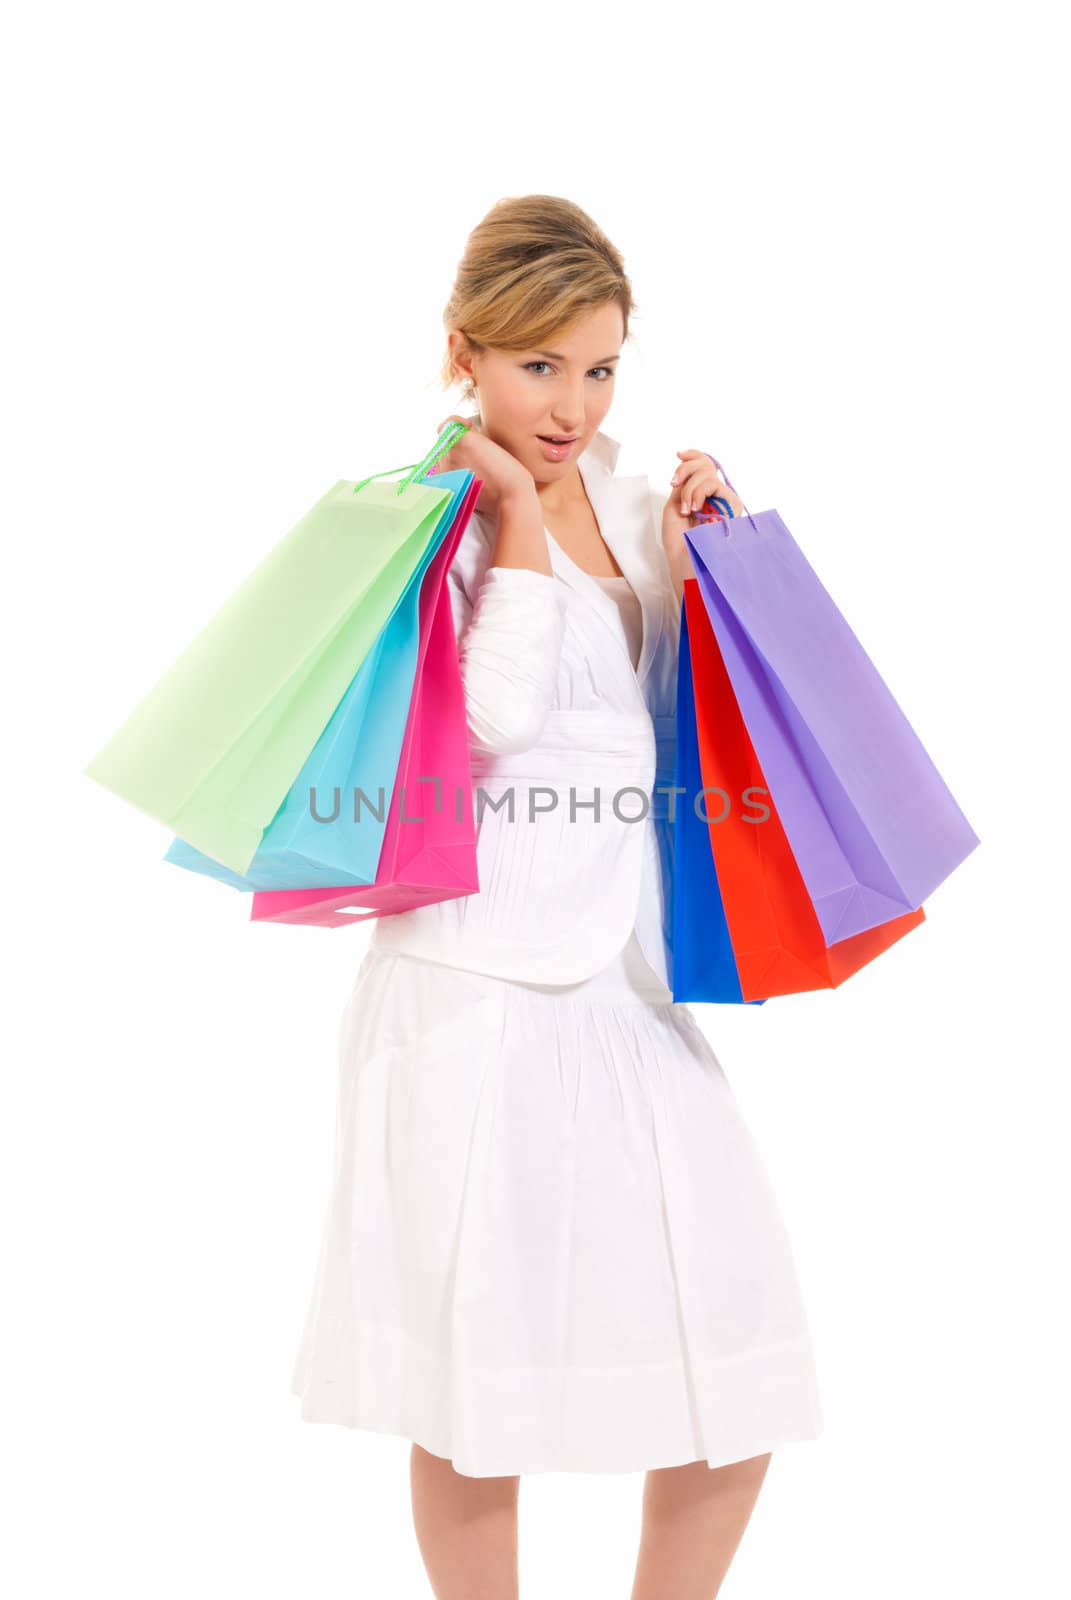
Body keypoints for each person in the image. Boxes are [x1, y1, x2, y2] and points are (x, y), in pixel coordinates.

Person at [290, 194, 823, 1600]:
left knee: (738, 1356)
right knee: (480, 1393)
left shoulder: (634, 498)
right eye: (540, 368)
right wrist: (514, 521)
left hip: (623, 983)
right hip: (473, 991)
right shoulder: (429, 518)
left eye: (599, 369)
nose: (571, 404)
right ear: (466, 352)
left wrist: (721, 543)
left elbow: (693, 707)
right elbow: (498, 723)